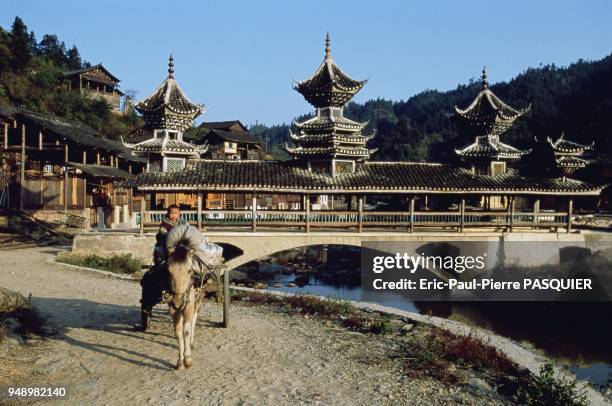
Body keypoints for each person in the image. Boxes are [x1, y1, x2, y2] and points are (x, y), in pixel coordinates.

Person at [137, 204, 187, 331]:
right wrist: (173, 236)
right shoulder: (164, 225)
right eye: (172, 213)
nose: (174, 215)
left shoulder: (183, 222)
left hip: (181, 249)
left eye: (176, 213)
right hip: (167, 248)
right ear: (168, 214)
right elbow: (163, 235)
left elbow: (188, 231)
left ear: (179, 214)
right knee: (162, 262)